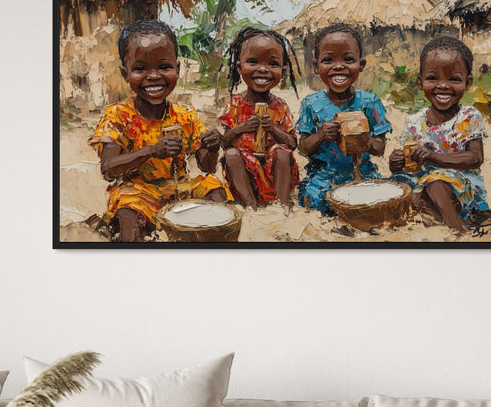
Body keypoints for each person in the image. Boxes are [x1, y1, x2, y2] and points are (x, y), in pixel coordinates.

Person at [89, 19, 227, 243]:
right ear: (125, 74)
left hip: (179, 188)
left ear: (178, 69)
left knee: (215, 190)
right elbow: (108, 169)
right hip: (138, 192)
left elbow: (207, 166)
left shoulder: (185, 116)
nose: (153, 76)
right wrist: (151, 151)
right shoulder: (118, 116)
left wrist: (211, 147)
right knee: (127, 212)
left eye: (164, 67)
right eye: (140, 69)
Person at [388, 35, 490, 233]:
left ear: (467, 83)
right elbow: (411, 164)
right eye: (432, 78)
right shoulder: (414, 121)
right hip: (423, 182)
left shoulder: (469, 117)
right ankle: (435, 213)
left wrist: (434, 157)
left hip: (459, 186)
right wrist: (397, 162)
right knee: (397, 188)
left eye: (454, 79)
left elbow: (476, 158)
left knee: (436, 183)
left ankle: (456, 228)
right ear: (420, 82)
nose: (443, 86)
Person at [295, 23, 391, 213]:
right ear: (316, 66)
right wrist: (321, 135)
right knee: (315, 199)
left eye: (348, 59)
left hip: (362, 172)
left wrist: (361, 138)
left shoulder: (369, 102)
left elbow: (379, 149)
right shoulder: (311, 104)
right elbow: (303, 148)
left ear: (360, 65)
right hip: (325, 173)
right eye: (328, 60)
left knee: (377, 201)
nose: (338, 66)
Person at [217, 27, 300, 208]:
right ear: (239, 67)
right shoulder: (235, 104)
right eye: (253, 62)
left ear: (283, 70)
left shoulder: (279, 106)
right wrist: (242, 128)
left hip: (273, 173)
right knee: (231, 154)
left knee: (282, 153)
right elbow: (224, 141)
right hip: (245, 174)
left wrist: (273, 129)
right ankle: (251, 206)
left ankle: (282, 205)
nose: (263, 70)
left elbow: (292, 143)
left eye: (272, 64)